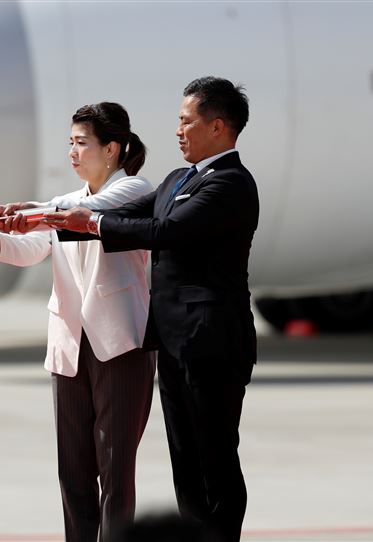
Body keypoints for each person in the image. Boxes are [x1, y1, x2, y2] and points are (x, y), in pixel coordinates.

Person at [45, 77, 258, 542]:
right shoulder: (179, 179)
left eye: (187, 121)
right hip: (172, 343)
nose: (178, 131)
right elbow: (117, 213)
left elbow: (166, 230)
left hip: (213, 344)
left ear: (218, 127)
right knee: (186, 462)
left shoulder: (232, 184)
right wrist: (35, 218)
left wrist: (93, 221)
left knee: (215, 459)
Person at [0, 102, 156, 542]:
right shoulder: (67, 203)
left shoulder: (136, 191)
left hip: (120, 344)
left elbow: (72, 218)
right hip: (70, 343)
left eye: (81, 143)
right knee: (73, 469)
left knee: (115, 469)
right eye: (69, 143)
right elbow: (33, 247)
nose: (72, 152)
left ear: (112, 149)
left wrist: (22, 211)